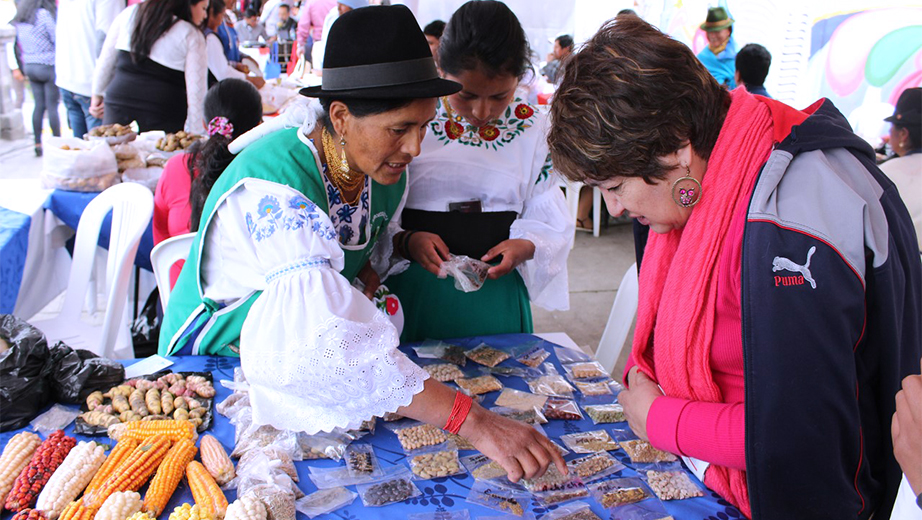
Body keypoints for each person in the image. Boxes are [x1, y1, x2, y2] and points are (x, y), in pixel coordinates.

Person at [158, 5, 565, 484]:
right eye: (400, 130)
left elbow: (368, 247)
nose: (415, 148)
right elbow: (321, 335)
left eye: (422, 126)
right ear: (341, 116)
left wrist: (399, 246)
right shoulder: (279, 184)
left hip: (300, 371)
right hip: (214, 368)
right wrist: (473, 422)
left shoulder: (378, 168)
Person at [548, 14, 921, 519]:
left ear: (677, 147)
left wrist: (660, 418)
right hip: (708, 471)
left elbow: (803, 433)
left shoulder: (790, 220)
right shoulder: (703, 174)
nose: (613, 209)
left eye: (614, 187)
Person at [385, 0, 572, 342]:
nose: (482, 111)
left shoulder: (533, 131)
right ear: (440, 66)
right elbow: (375, 210)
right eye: (465, 94)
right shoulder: (412, 122)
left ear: (521, 77)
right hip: (416, 287)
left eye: (501, 96)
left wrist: (527, 245)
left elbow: (548, 214)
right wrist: (405, 240)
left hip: (495, 293)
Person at [153, 78, 262, 288]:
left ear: (205, 124)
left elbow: (161, 238)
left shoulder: (176, 167)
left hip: (179, 304)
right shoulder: (262, 173)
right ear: (259, 126)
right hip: (242, 309)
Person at [91, 0, 208, 133]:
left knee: (113, 152)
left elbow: (105, 61)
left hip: (119, 101)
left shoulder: (130, 13)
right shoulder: (191, 35)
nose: (205, 16)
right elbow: (197, 93)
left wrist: (97, 96)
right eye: (204, 8)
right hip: (163, 111)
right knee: (158, 153)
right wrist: (196, 135)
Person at [55, 0, 125, 140]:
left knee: (82, 152)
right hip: (92, 87)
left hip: (67, 78)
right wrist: (102, 91)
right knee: (100, 155)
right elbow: (106, 44)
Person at [12, 0, 59, 157]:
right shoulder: (43, 15)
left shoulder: (22, 18)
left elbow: (18, 45)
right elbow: (55, 38)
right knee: (52, 106)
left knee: (39, 105)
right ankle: (58, 143)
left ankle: (37, 143)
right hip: (47, 64)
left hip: (30, 66)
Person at [880, 88, 922, 252]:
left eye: (892, 127)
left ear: (904, 133)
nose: (889, 133)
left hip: (905, 270)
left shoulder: (887, 173)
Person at [204, 0, 265, 89]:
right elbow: (219, 65)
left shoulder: (227, 18)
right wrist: (247, 78)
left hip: (232, 80)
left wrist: (243, 57)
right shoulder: (211, 28)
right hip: (221, 84)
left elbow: (232, 46)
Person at [313, 0, 367, 69]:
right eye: (338, 4)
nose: (339, 8)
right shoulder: (334, 17)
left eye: (343, 4)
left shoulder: (366, 22)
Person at [697, 6, 736, 89]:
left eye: (717, 31)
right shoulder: (701, 58)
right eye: (709, 32)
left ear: (728, 31)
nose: (712, 36)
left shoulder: (737, 55)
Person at [295, 0, 334, 66]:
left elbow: (303, 25)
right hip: (337, 42)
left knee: (319, 73)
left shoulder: (312, 2)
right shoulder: (339, 2)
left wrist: (301, 44)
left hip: (319, 43)